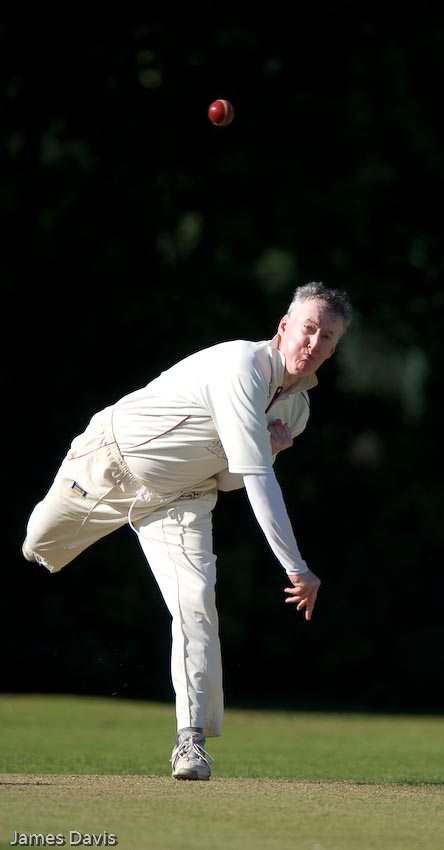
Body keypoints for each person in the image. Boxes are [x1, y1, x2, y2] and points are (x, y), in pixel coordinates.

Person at [22, 281, 352, 781]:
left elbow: (229, 479)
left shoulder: (297, 411)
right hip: (111, 463)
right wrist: (296, 567)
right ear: (285, 327)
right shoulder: (243, 367)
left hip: (183, 497)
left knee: (197, 604)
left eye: (327, 337)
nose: (314, 343)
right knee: (35, 545)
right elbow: (257, 479)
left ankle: (190, 742)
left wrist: (271, 449)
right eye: (308, 328)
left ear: (333, 348)